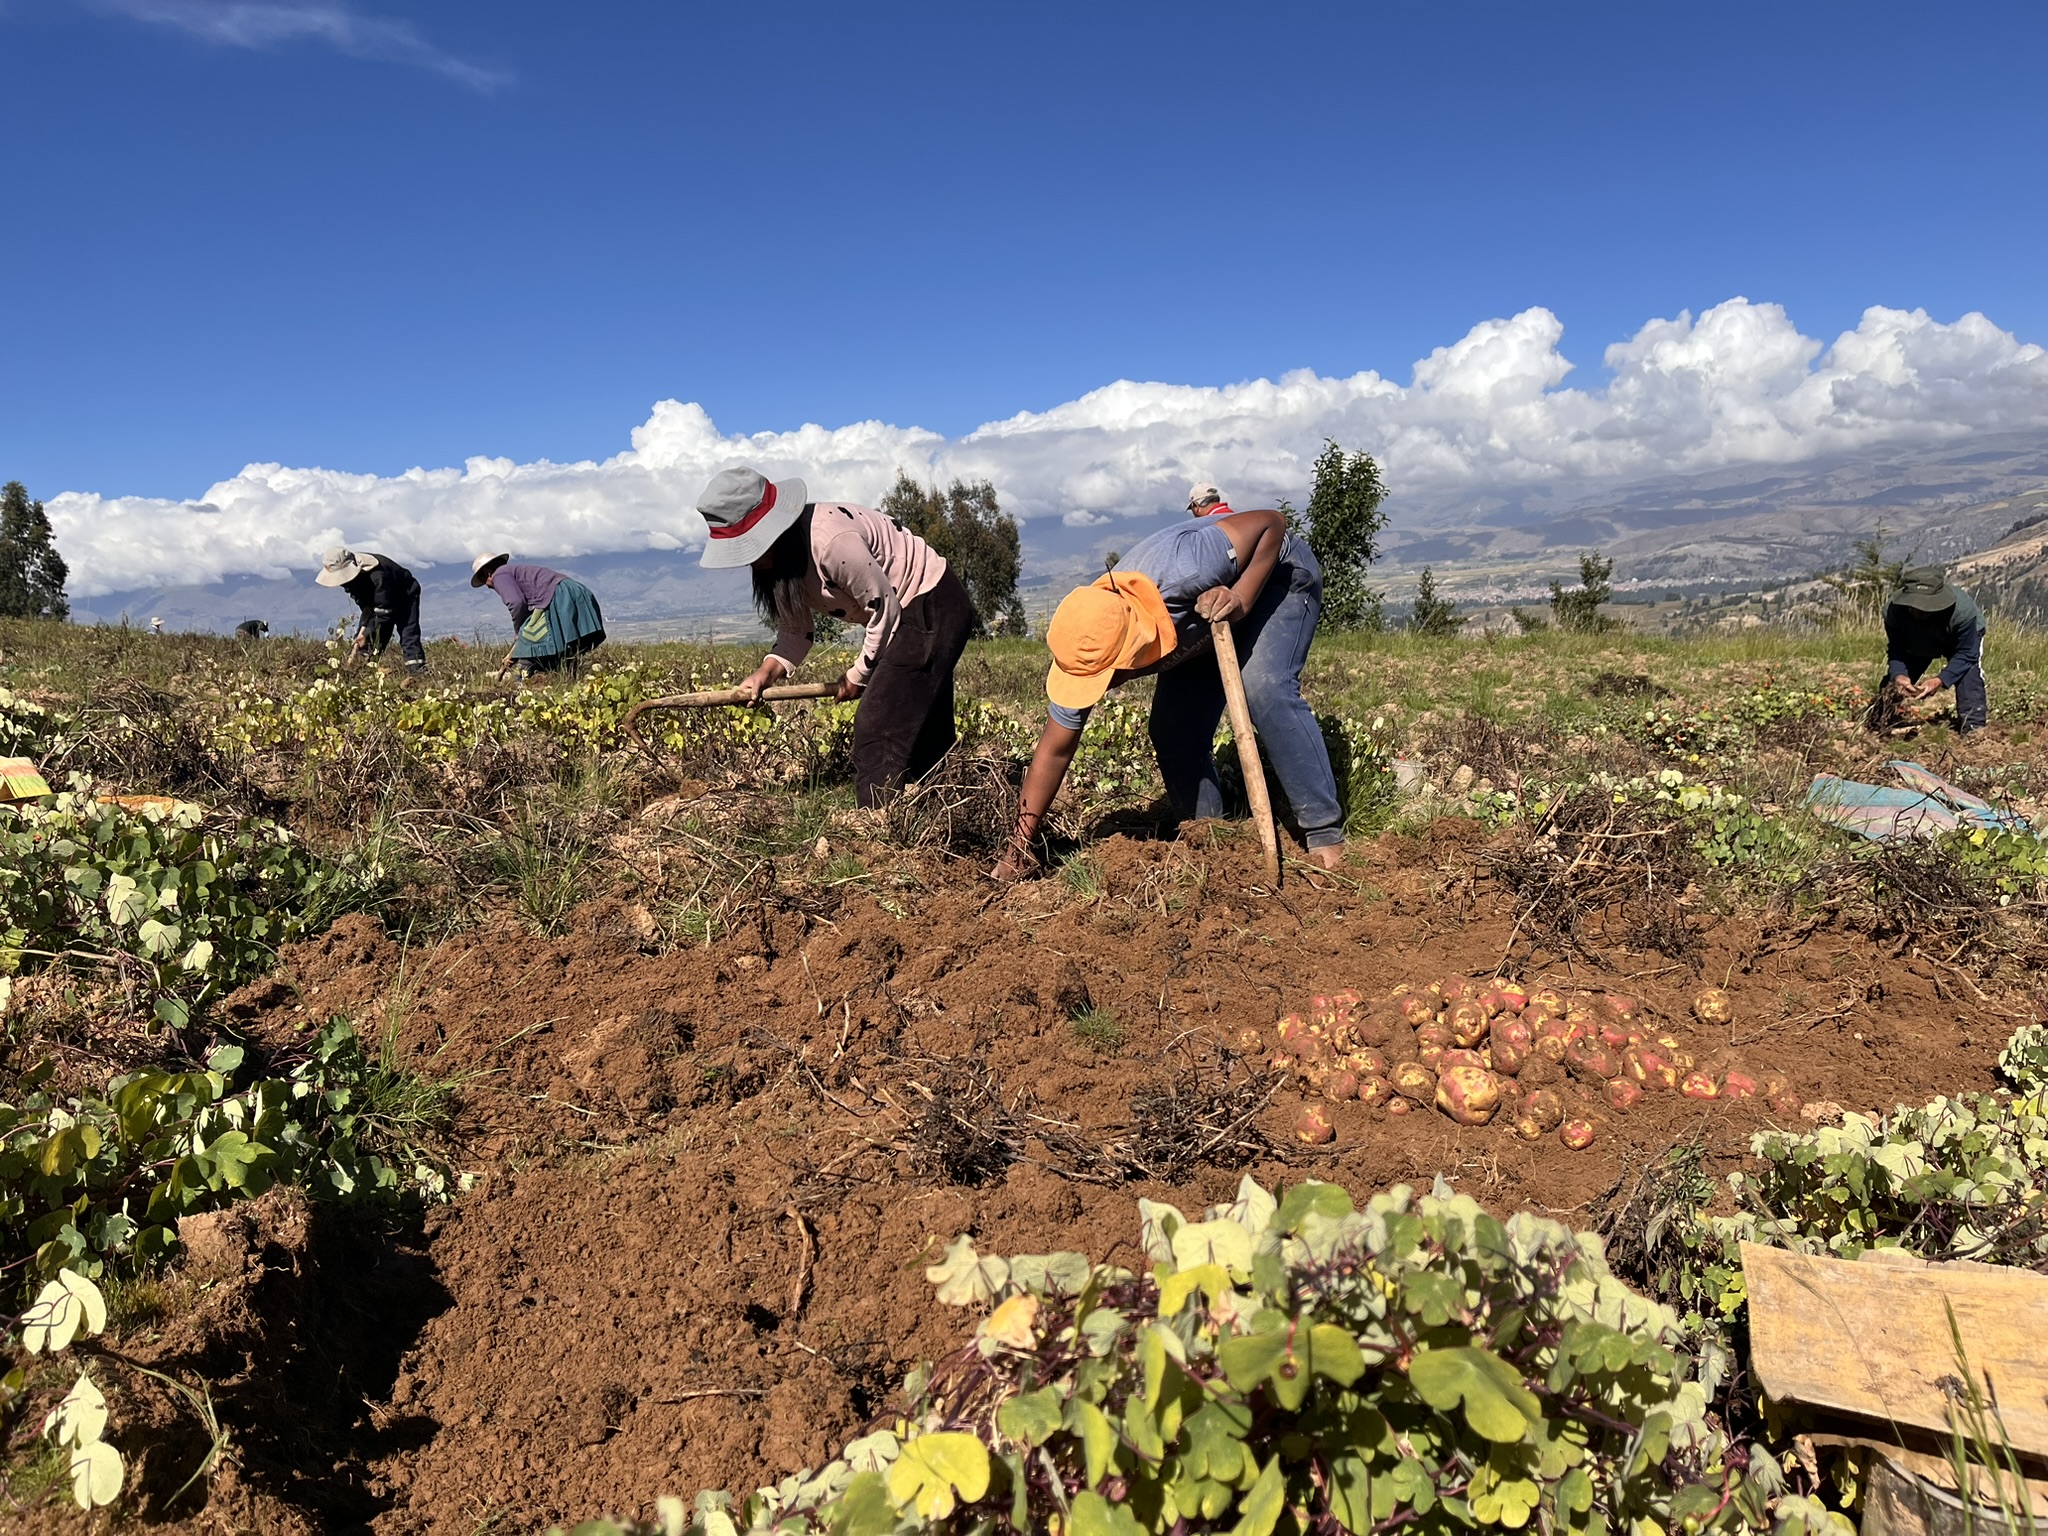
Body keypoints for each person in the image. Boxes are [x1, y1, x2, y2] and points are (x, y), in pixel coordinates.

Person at [991, 500, 1346, 880]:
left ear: (1132, 652)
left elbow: (1271, 523)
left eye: (1108, 677)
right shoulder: (1084, 641)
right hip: (1199, 620)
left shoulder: (1187, 567)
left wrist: (1241, 597)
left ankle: (1324, 833)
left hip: (1275, 575)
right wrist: (1020, 846)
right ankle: (1210, 839)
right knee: (1174, 730)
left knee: (1264, 688)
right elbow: (1055, 748)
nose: (1103, 688)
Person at [696, 465, 977, 807]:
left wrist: (858, 675)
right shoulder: (778, 564)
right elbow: (796, 631)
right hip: (901, 616)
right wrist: (764, 674)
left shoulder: (831, 542)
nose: (749, 561)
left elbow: (884, 609)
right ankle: (945, 806)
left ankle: (878, 825)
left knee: (878, 722)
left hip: (930, 604)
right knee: (921, 721)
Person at [469, 555, 607, 680]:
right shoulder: (512, 572)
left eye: (483, 580)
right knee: (565, 651)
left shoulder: (499, 575)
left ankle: (519, 681)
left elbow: (516, 603)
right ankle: (567, 681)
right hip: (574, 593)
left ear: (487, 573)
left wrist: (520, 632)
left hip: (560, 596)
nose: (487, 587)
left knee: (531, 646)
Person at [1884, 566, 1987, 733]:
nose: (1920, 611)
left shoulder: (1963, 611)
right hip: (1916, 642)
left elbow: (1967, 654)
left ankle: (1974, 730)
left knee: (1969, 675)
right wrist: (1899, 675)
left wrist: (1940, 680)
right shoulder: (1893, 611)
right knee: (1894, 686)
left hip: (1957, 642)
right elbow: (1897, 648)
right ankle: (1882, 720)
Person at [316, 547, 425, 673]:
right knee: (366, 638)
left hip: (405, 595)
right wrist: (363, 631)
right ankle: (362, 671)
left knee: (408, 633)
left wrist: (368, 631)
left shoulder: (378, 576)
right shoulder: (352, 583)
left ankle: (416, 673)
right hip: (381, 603)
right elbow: (367, 608)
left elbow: (384, 613)